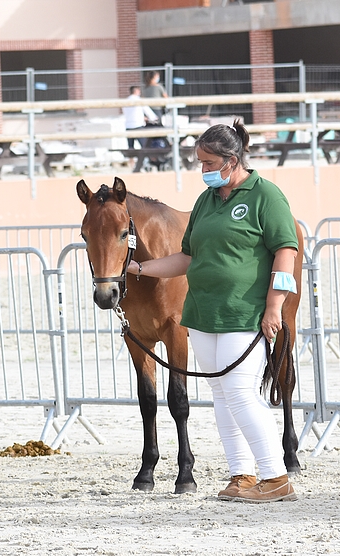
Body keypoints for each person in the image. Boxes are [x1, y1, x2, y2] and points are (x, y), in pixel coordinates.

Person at [126, 120, 299, 503]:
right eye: (199, 163)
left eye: (208, 163)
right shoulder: (206, 201)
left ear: (231, 160)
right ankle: (242, 474)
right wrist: (140, 269)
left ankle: (275, 476)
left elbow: (286, 251)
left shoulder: (265, 196)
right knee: (221, 394)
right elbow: (187, 258)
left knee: (239, 391)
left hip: (245, 312)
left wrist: (274, 307)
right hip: (204, 314)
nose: (202, 170)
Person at [121, 85, 162, 168]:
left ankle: (131, 164)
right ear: (136, 91)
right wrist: (153, 118)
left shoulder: (125, 102)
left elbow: (129, 113)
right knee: (145, 146)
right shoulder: (139, 100)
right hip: (138, 126)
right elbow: (148, 111)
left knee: (131, 147)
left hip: (128, 126)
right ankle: (151, 162)